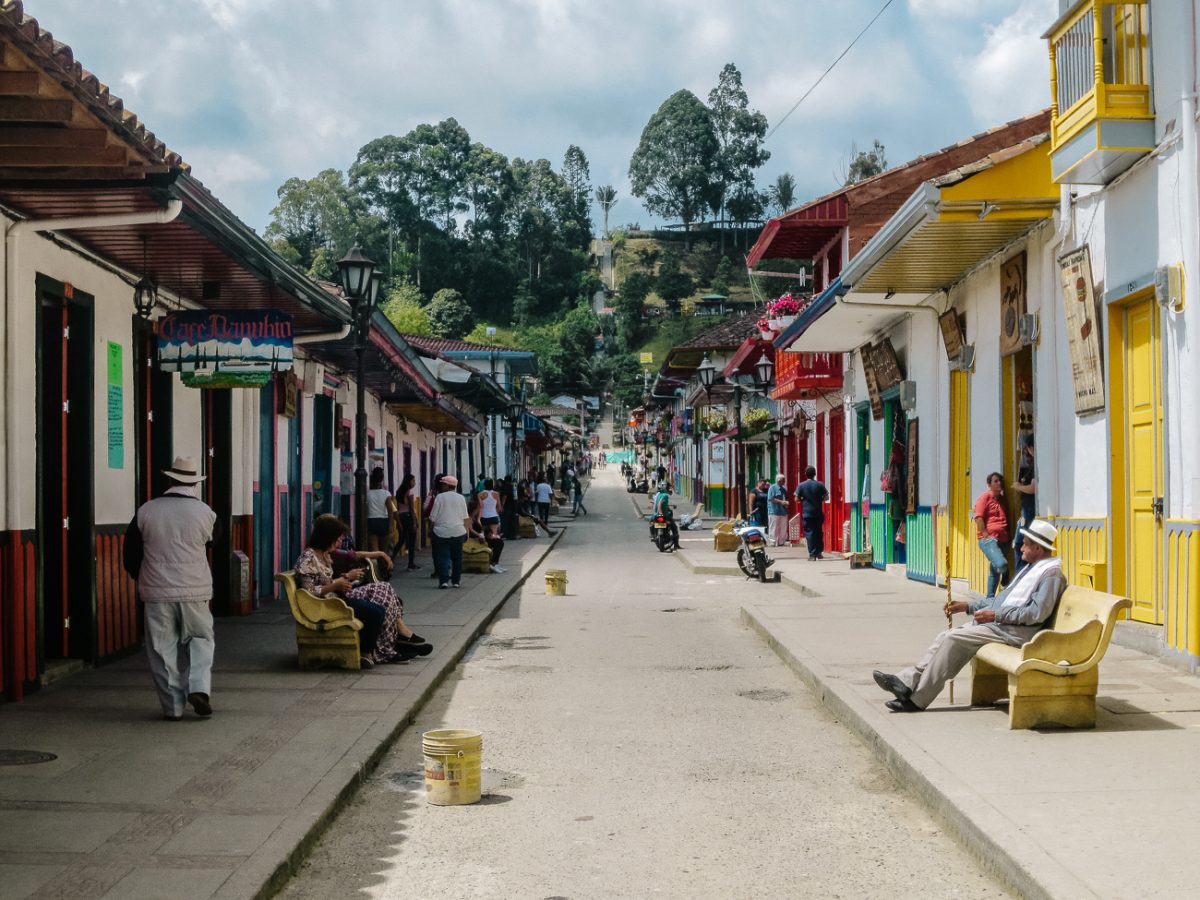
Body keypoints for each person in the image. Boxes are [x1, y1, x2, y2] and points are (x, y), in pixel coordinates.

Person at [872, 519, 1066, 712]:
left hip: (1016, 633)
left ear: (1039, 549)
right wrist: (968, 606)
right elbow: (1001, 600)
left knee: (953, 638)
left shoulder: (1051, 575)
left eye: (1025, 544)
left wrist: (996, 615)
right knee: (944, 636)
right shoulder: (1031, 569)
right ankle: (906, 682)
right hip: (1002, 626)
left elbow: (1037, 613)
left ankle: (917, 699)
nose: (1020, 547)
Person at [124, 456, 218, 721]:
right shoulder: (206, 513)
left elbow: (130, 552)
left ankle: (173, 707)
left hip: (156, 591)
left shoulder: (146, 510)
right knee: (200, 640)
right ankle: (199, 687)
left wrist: (141, 576)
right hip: (195, 590)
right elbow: (214, 542)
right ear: (194, 484)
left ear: (169, 480)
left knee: (161, 648)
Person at [295, 515, 431, 666]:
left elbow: (328, 581)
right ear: (327, 538)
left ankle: (390, 643)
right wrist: (337, 584)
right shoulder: (308, 558)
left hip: (337, 597)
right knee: (377, 610)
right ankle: (374, 650)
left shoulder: (324, 554)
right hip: (328, 605)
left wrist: (345, 578)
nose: (340, 542)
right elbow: (309, 592)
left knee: (384, 590)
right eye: (337, 538)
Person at [429, 475, 480, 588]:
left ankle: (444, 581)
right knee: (457, 558)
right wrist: (467, 532)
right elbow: (465, 517)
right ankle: (456, 581)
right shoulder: (461, 498)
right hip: (458, 532)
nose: (441, 486)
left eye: (443, 484)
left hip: (441, 533)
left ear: (447, 485)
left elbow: (433, 517)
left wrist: (430, 529)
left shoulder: (440, 497)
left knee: (442, 557)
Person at [975, 471, 1011, 597]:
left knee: (995, 571)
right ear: (989, 485)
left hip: (1004, 540)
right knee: (1002, 565)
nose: (999, 483)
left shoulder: (1003, 499)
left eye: (1000, 481)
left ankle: (989, 599)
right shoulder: (985, 497)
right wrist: (986, 536)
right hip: (990, 540)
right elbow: (978, 517)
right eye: (995, 481)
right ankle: (1005, 578)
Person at [1010, 437, 1037, 574]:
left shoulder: (1036, 466)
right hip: (1025, 510)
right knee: (1019, 543)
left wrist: (1018, 487)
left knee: (1021, 543)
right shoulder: (1034, 466)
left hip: (1029, 509)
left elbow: (1033, 488)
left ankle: (1020, 576)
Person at [795, 466, 830, 560]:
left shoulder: (801, 485)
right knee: (818, 532)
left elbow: (796, 499)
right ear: (815, 474)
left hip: (807, 513)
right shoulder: (820, 485)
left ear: (805, 474)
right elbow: (827, 498)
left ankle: (812, 554)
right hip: (818, 512)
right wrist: (819, 499)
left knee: (810, 533)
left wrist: (803, 499)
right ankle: (819, 552)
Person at [366, 467, 397, 554]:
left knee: (374, 551)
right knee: (384, 551)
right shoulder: (386, 493)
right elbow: (390, 510)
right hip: (383, 522)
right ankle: (384, 566)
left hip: (371, 521)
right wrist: (391, 526)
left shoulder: (368, 494)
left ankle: (376, 567)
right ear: (382, 479)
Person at [470, 502, 506, 574]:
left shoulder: (478, 518)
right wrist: (479, 535)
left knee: (499, 541)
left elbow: (483, 529)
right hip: (476, 539)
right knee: (498, 543)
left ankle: (495, 563)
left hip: (482, 537)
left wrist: (489, 534)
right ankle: (493, 563)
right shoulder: (470, 518)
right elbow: (471, 530)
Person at [394, 473, 421, 571]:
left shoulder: (399, 492)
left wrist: (398, 522)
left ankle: (391, 559)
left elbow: (397, 508)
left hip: (401, 516)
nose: (414, 482)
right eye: (413, 480)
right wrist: (414, 522)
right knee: (412, 541)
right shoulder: (409, 493)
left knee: (401, 540)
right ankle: (411, 564)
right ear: (409, 481)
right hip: (409, 517)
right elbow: (411, 508)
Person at [652, 481, 680, 551]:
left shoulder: (658, 494)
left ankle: (654, 536)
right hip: (664, 515)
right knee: (674, 527)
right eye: (668, 487)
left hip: (656, 515)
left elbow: (662, 505)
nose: (669, 489)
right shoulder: (665, 496)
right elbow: (660, 504)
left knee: (653, 524)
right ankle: (676, 545)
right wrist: (661, 513)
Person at [767, 474, 789, 547]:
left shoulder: (784, 489)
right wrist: (781, 502)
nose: (784, 482)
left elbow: (786, 498)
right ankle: (772, 542)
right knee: (773, 527)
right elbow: (771, 498)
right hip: (774, 511)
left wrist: (785, 503)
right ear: (779, 480)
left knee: (783, 526)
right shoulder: (772, 488)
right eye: (783, 480)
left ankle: (781, 541)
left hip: (783, 511)